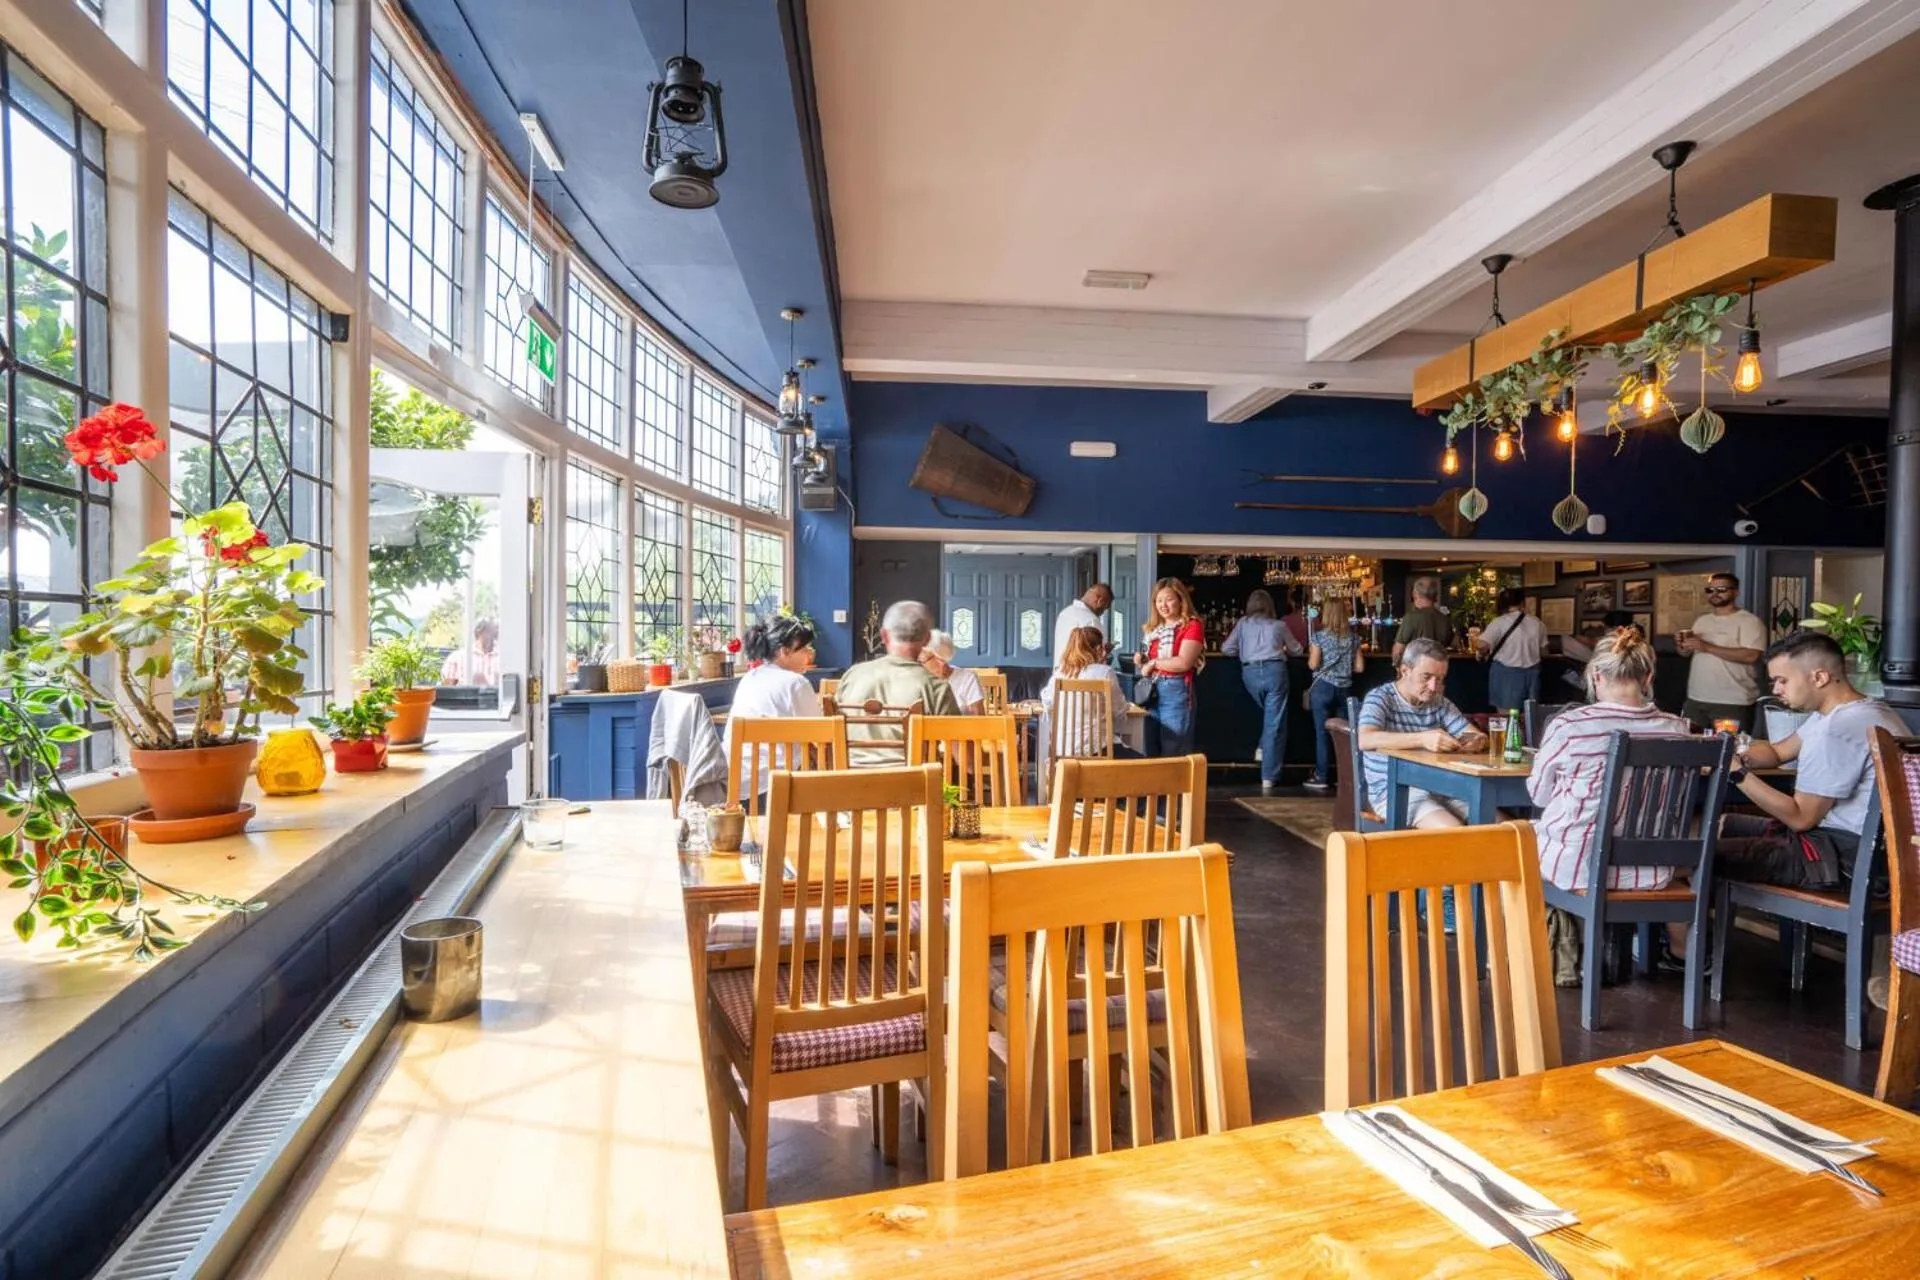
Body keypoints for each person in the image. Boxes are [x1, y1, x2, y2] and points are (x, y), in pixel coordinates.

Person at [1717, 630, 1907, 891]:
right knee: (1722, 825)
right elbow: (1777, 753)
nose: (1775, 689)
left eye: (1782, 680)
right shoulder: (1855, 712)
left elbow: (1800, 818)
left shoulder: (1838, 729)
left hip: (1845, 860)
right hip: (1860, 849)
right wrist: (1735, 755)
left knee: (1698, 854)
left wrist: (1736, 773)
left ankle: (1687, 931)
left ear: (1819, 677)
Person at [1357, 638, 1487, 829]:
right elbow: (1365, 739)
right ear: (1405, 671)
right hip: (1394, 792)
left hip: (1441, 787)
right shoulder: (1380, 698)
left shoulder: (1439, 703)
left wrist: (1477, 741)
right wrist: (1423, 738)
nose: (1434, 687)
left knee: (1501, 825)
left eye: (1440, 679)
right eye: (1426, 677)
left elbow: (1476, 735)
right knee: (1455, 831)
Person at [836, 600, 959, 766]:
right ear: (927, 639)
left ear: (884, 635)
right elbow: (967, 759)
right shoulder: (935, 687)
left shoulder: (852, 676)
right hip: (912, 786)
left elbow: (830, 735)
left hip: (848, 784)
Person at [724, 613, 823, 797]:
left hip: (734, 785)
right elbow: (822, 736)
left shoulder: (750, 678)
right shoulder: (796, 683)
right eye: (803, 650)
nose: (808, 655)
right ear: (785, 651)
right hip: (775, 787)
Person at [1222, 589, 1304, 790]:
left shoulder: (1242, 624)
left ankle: (1262, 747)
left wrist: (1244, 649)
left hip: (1250, 675)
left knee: (1271, 718)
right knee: (1274, 722)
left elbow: (1226, 649)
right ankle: (1268, 776)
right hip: (1275, 672)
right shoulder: (1280, 625)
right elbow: (1297, 650)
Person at [1676, 572, 1766, 732]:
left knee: (1730, 751)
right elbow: (1686, 654)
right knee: (1690, 750)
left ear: (1736, 592)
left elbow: (1752, 655)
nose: (1715, 594)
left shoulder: (1749, 621)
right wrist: (1682, 646)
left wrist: (1708, 647)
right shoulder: (1702, 621)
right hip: (1696, 699)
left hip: (1731, 702)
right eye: (1710, 590)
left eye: (1721, 589)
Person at [1134, 577, 1204, 757]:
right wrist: (1142, 660)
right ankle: (1156, 786)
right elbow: (1150, 661)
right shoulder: (1154, 629)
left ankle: (1175, 786)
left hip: (1176, 688)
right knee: (1150, 747)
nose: (1163, 605)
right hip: (1152, 690)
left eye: (1169, 599)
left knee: (1173, 747)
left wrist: (1154, 663)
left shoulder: (1192, 625)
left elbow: (1183, 662)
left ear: (1181, 600)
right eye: (1158, 600)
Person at [1040, 625, 1129, 759]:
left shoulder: (1059, 674)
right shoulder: (1105, 672)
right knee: (1144, 765)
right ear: (1099, 649)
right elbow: (1119, 711)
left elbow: (1047, 703)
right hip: (1098, 752)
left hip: (1063, 754)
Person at [1304, 598, 1364, 792]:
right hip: (1345, 689)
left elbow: (1313, 665)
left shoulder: (1319, 637)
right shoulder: (1354, 638)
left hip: (1322, 688)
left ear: (1326, 614)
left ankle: (1321, 776)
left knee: (1322, 733)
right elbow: (1360, 668)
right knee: (1344, 735)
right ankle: (1345, 777)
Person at [1476, 588, 1547, 714]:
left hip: (1506, 675)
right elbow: (1544, 651)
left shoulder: (1499, 622)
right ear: (1522, 603)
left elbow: (1482, 644)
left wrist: (1481, 653)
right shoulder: (1537, 623)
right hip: (1532, 676)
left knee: (1507, 717)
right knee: (1530, 715)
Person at [1392, 575, 1451, 665]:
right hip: (1437, 670)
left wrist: (1397, 666)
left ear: (1415, 594)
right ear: (1435, 595)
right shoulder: (1445, 619)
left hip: (1415, 670)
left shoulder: (1411, 617)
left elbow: (1398, 651)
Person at [1052, 583, 1113, 670]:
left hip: (1061, 675)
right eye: (1105, 608)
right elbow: (1099, 657)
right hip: (1083, 678)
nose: (1103, 613)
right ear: (1100, 601)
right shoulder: (1091, 620)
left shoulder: (1064, 613)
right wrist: (1106, 651)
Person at [921, 629, 983, 713]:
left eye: (924, 660)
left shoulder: (967, 678)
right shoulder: (919, 679)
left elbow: (979, 720)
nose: (922, 663)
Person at [439, 618, 500, 686]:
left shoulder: (502, 658)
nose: (493, 636)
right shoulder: (457, 657)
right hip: (466, 696)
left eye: (495, 633)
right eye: (489, 631)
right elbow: (448, 690)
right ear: (479, 632)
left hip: (498, 696)